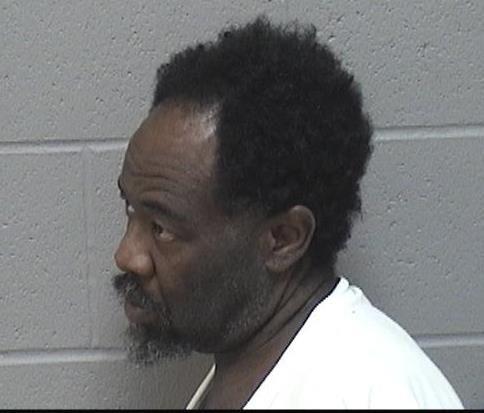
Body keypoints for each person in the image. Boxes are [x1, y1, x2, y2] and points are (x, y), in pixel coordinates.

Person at [112, 16, 463, 409]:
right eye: (130, 208)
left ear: (283, 239)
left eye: (161, 228)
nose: (126, 255)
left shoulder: (373, 393)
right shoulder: (251, 365)